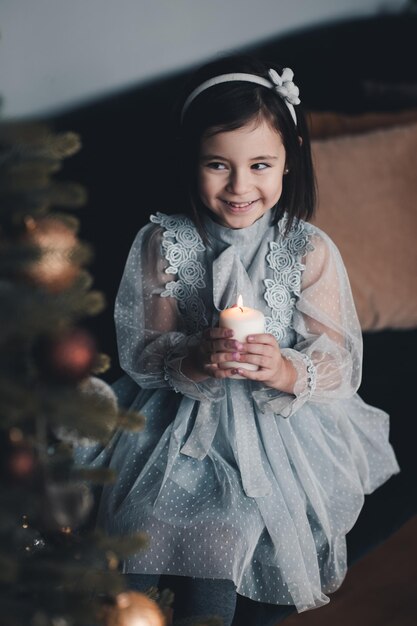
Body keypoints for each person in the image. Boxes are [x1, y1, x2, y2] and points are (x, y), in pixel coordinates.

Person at [77, 55, 399, 625]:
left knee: (225, 538)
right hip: (178, 416)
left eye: (259, 165)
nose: (240, 186)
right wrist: (194, 359)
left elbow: (338, 359)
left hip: (276, 426)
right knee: (139, 527)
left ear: (289, 163)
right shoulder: (163, 242)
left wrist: (284, 369)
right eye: (218, 166)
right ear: (192, 163)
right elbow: (144, 350)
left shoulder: (307, 249)